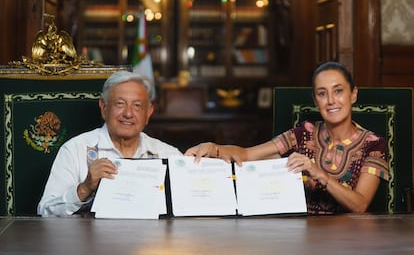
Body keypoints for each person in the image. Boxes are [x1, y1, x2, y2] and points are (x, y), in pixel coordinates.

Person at [185, 61, 389, 215]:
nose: (331, 101)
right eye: (322, 93)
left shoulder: (373, 144)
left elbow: (360, 204)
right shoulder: (304, 133)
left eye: (338, 91)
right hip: (300, 235)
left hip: (350, 240)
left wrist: (316, 172)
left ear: (353, 94)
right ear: (315, 100)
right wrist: (212, 148)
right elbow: (248, 154)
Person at [38, 71, 182, 217]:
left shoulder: (168, 154)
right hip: (90, 239)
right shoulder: (75, 150)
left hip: (151, 239)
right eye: (120, 104)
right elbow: (45, 212)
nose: (128, 113)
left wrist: (203, 164)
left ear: (149, 112)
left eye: (137, 105)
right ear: (104, 107)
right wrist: (84, 188)